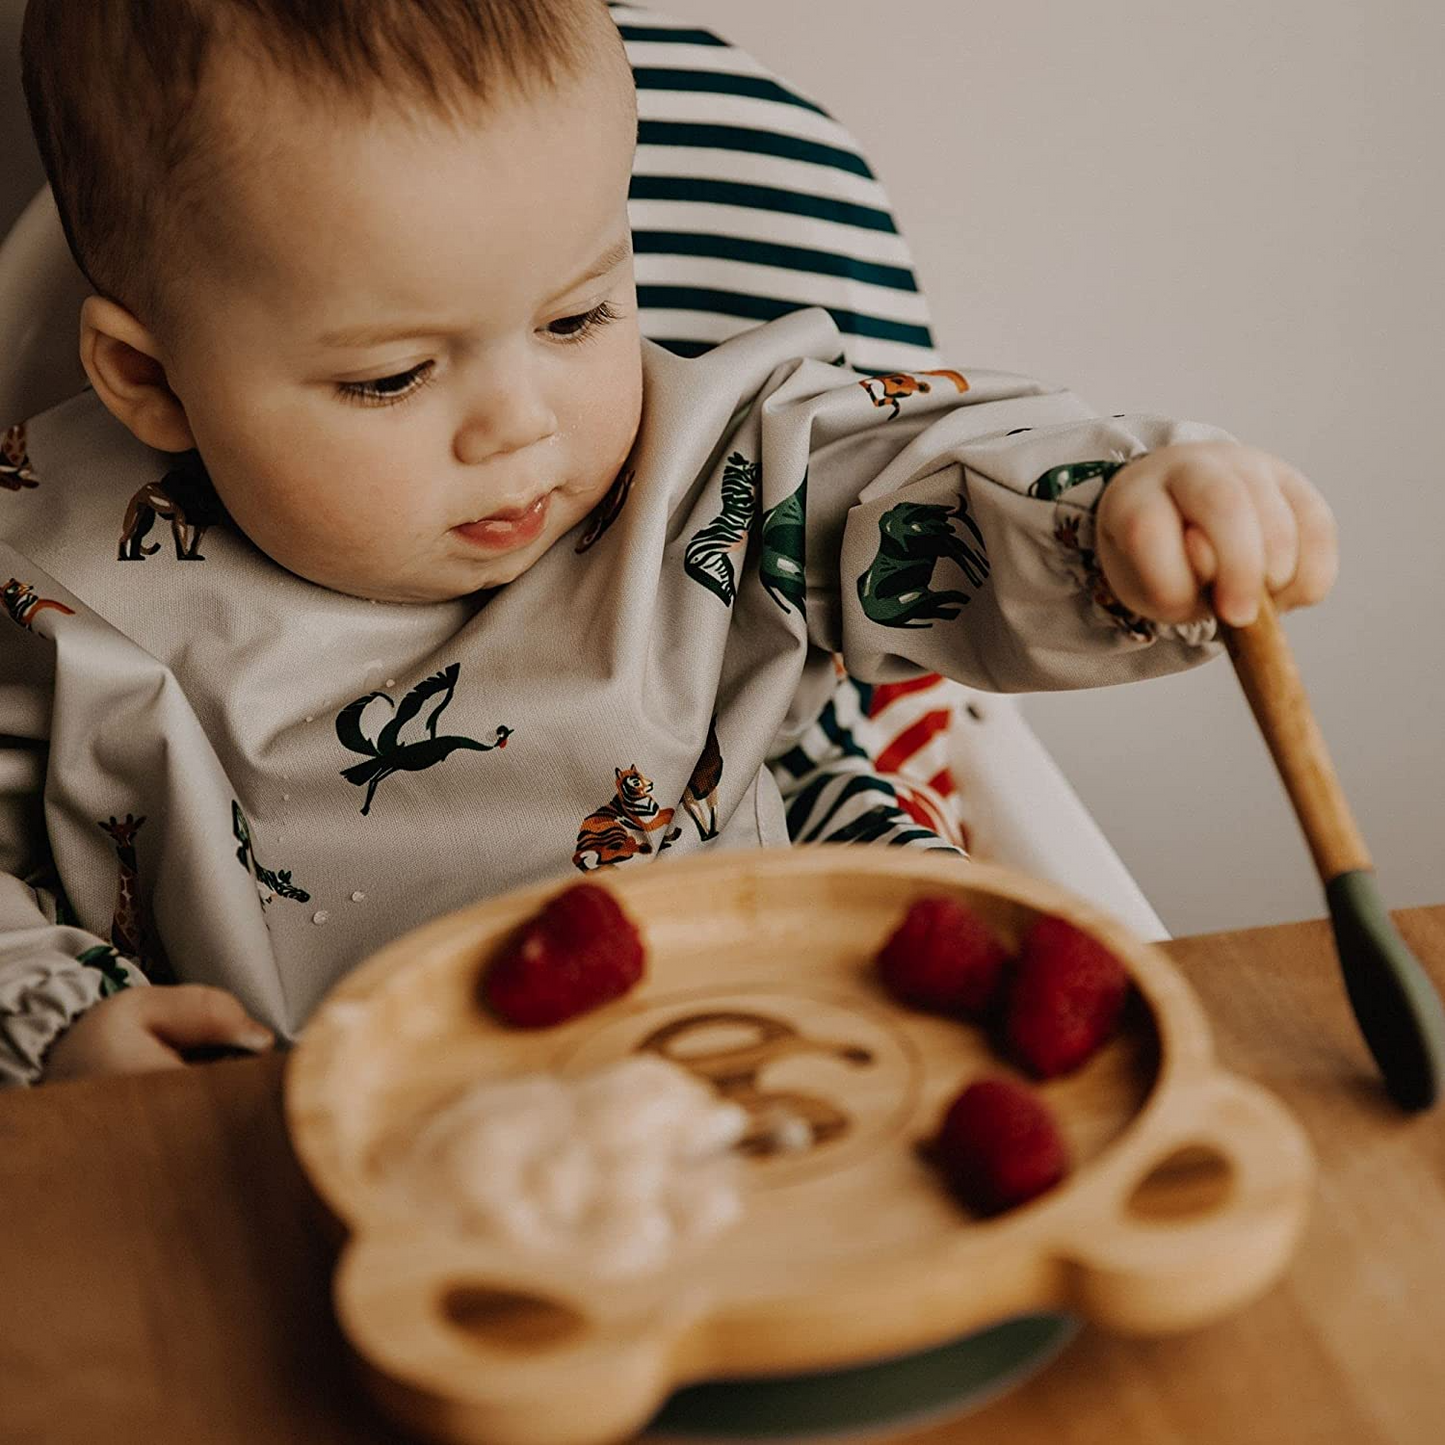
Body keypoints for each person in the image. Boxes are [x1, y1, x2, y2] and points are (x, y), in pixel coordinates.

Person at [0, 0, 1336, 1086]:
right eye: (393, 376)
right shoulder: (49, 584)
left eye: (579, 317)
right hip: (301, 1166)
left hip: (779, 1065)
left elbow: (914, 481)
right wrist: (58, 1021)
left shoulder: (709, 471)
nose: (522, 426)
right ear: (153, 381)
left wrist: (1108, 516)